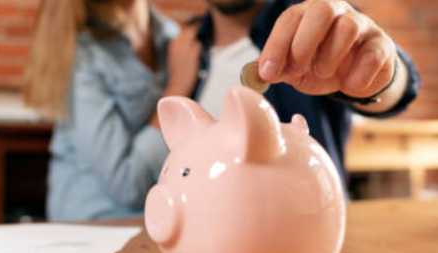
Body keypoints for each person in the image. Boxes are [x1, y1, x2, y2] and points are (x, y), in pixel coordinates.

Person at [179, 0, 420, 184]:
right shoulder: (182, 44)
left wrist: (382, 77)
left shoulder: (318, 21)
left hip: (307, 225)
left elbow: (402, 85)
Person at [24, 0, 199, 221]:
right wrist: (177, 89)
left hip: (156, 223)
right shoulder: (82, 54)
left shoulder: (173, 38)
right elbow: (127, 185)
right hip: (93, 229)